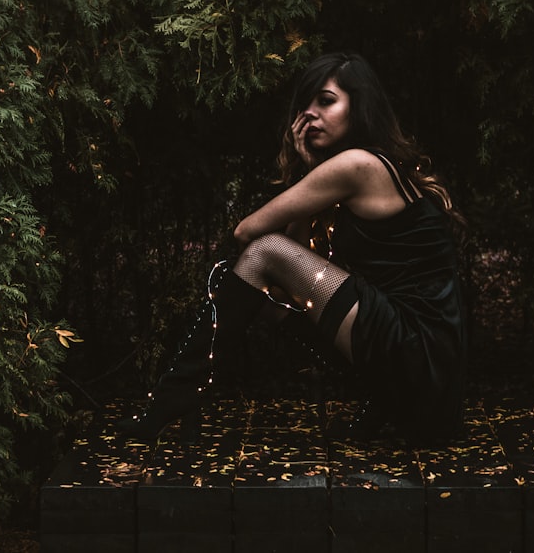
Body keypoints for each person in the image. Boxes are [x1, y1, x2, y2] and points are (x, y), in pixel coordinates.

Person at [118, 52, 467, 443]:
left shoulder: (356, 165)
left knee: (259, 254)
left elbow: (248, 234)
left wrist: (309, 176)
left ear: (360, 104)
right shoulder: (376, 165)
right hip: (426, 376)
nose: (309, 114)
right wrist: (308, 174)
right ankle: (180, 398)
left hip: (416, 357)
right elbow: (297, 267)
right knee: (269, 296)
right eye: (305, 104)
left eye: (326, 100)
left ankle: (173, 399)